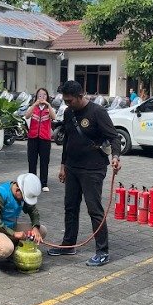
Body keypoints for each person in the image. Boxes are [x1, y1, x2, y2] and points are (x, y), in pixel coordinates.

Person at [47, 80, 121, 267]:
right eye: (65, 100)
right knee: (70, 207)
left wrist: (116, 156)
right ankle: (68, 245)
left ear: (81, 96)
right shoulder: (69, 112)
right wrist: (63, 166)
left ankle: (102, 251)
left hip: (93, 169)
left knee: (94, 210)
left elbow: (114, 137)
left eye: (70, 100)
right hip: (72, 168)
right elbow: (68, 140)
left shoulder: (98, 112)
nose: (67, 104)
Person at [0, 173, 45, 272]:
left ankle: (13, 252)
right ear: (18, 190)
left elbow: (33, 211)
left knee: (42, 231)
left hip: (9, 228)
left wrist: (36, 228)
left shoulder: (22, 192)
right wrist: (14, 233)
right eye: (24, 198)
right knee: (6, 248)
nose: (24, 200)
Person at [25, 87, 56, 192]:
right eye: (40, 95)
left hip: (45, 139)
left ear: (47, 97)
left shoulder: (48, 108)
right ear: (36, 96)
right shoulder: (33, 107)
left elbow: (54, 117)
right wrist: (34, 104)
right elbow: (27, 116)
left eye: (44, 95)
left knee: (44, 161)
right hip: (33, 138)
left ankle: (44, 183)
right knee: (32, 161)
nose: (42, 97)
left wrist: (48, 105)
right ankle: (32, 183)